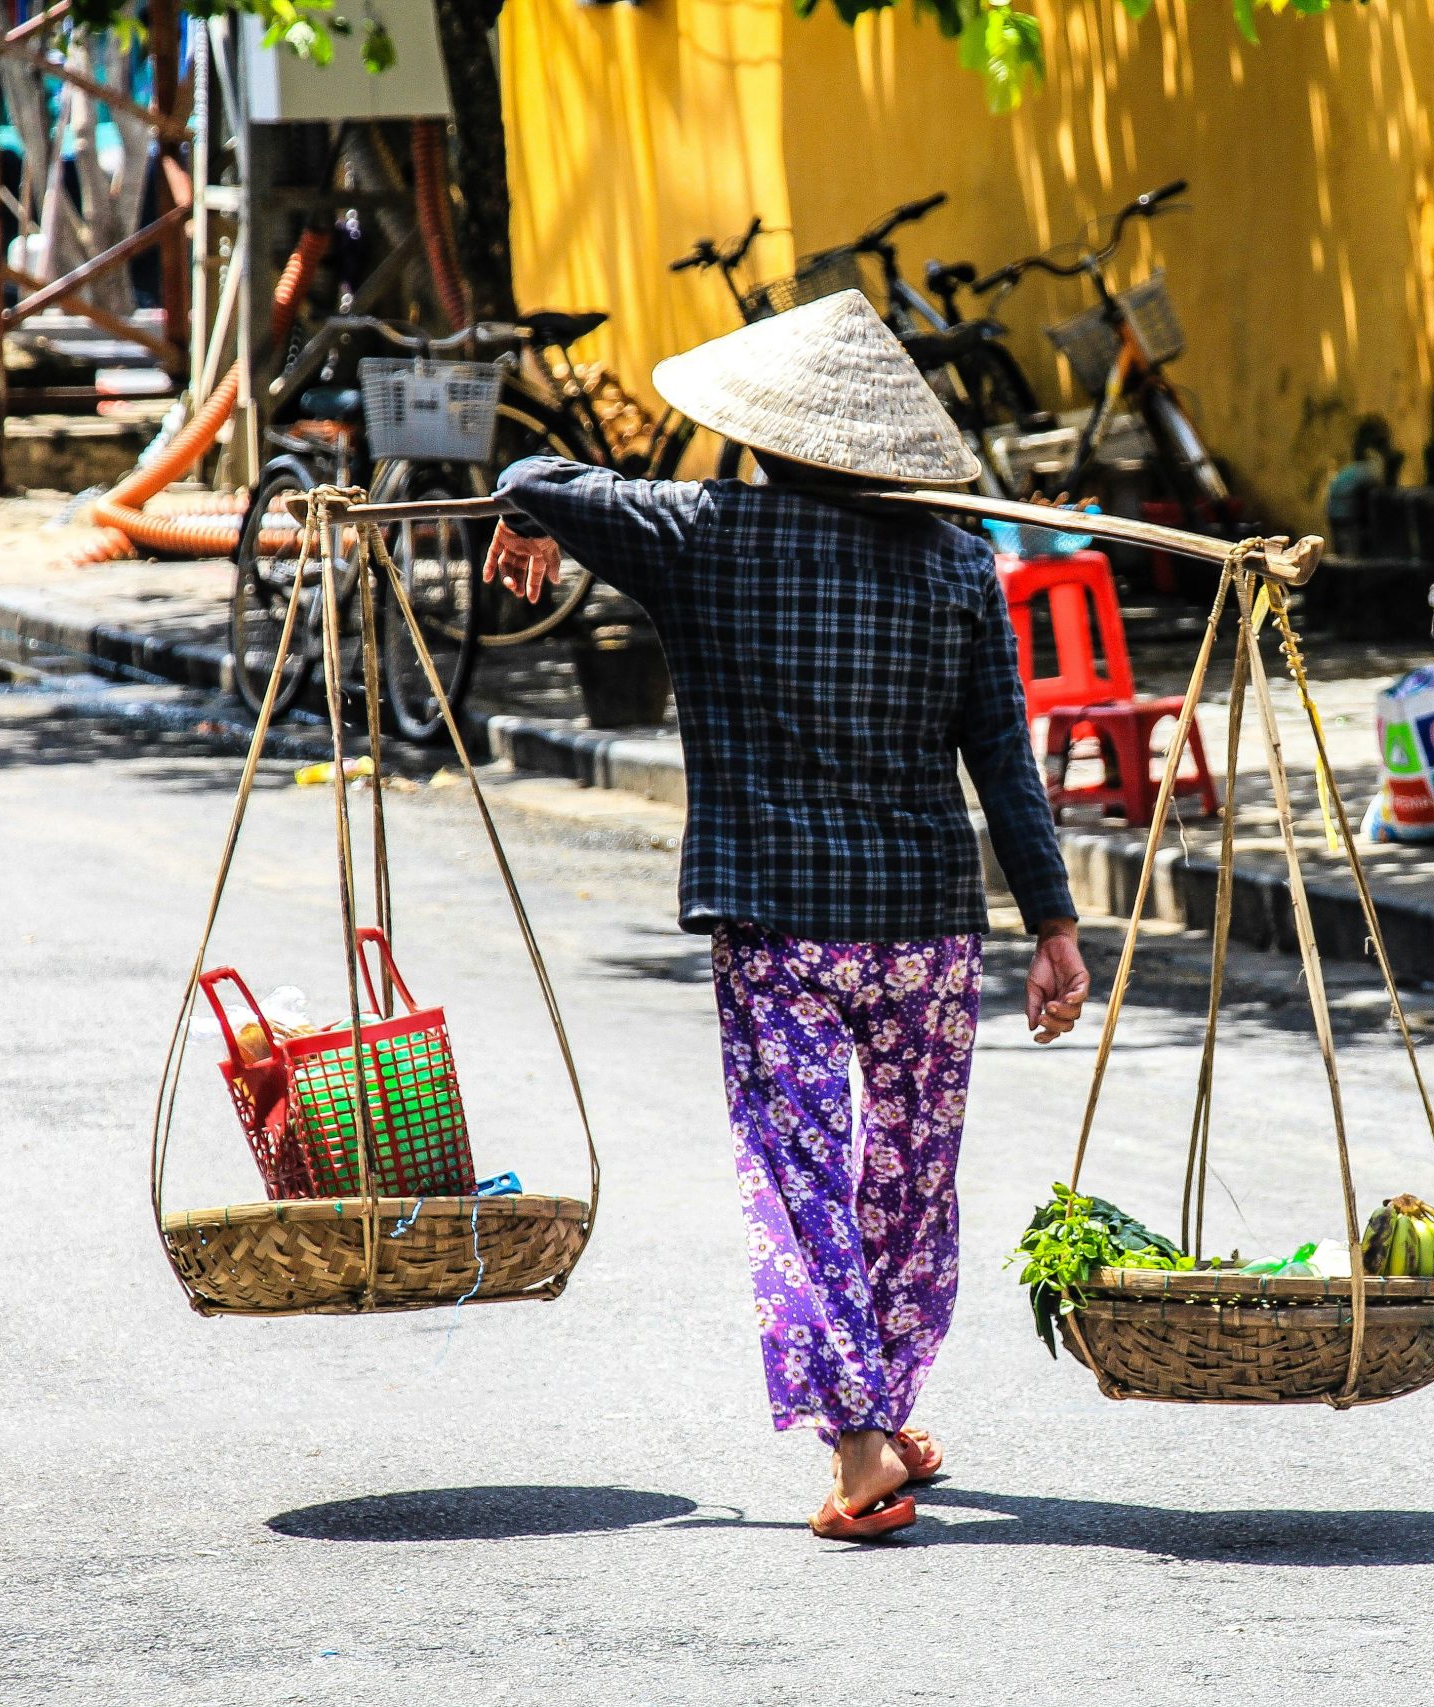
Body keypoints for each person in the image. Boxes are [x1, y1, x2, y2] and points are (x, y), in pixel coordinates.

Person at [479, 292, 1090, 1541]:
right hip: (924, 926)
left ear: (761, 438)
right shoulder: (960, 560)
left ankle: (865, 1443)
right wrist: (1056, 926)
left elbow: (536, 463)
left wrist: (524, 514)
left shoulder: (702, 531)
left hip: (778, 927)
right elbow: (1002, 760)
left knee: (800, 1176)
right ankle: (884, 1404)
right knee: (911, 1179)